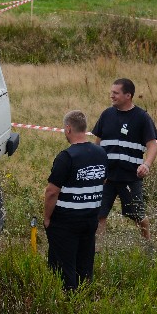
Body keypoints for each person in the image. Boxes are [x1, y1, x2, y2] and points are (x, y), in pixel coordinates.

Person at [43, 110, 108, 290]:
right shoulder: (101, 153)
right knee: (85, 264)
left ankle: (68, 303)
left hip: (66, 221)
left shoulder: (66, 157)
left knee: (64, 267)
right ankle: (84, 297)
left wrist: (47, 218)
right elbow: (103, 180)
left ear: (68, 128)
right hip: (90, 219)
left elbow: (51, 192)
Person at [92, 78, 157, 240]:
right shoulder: (106, 114)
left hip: (130, 178)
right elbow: (98, 144)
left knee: (137, 216)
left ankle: (147, 246)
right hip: (106, 177)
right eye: (111, 92)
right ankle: (96, 252)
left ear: (128, 95)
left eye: (116, 93)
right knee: (99, 215)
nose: (112, 96)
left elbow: (152, 146)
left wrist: (147, 165)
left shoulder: (142, 118)